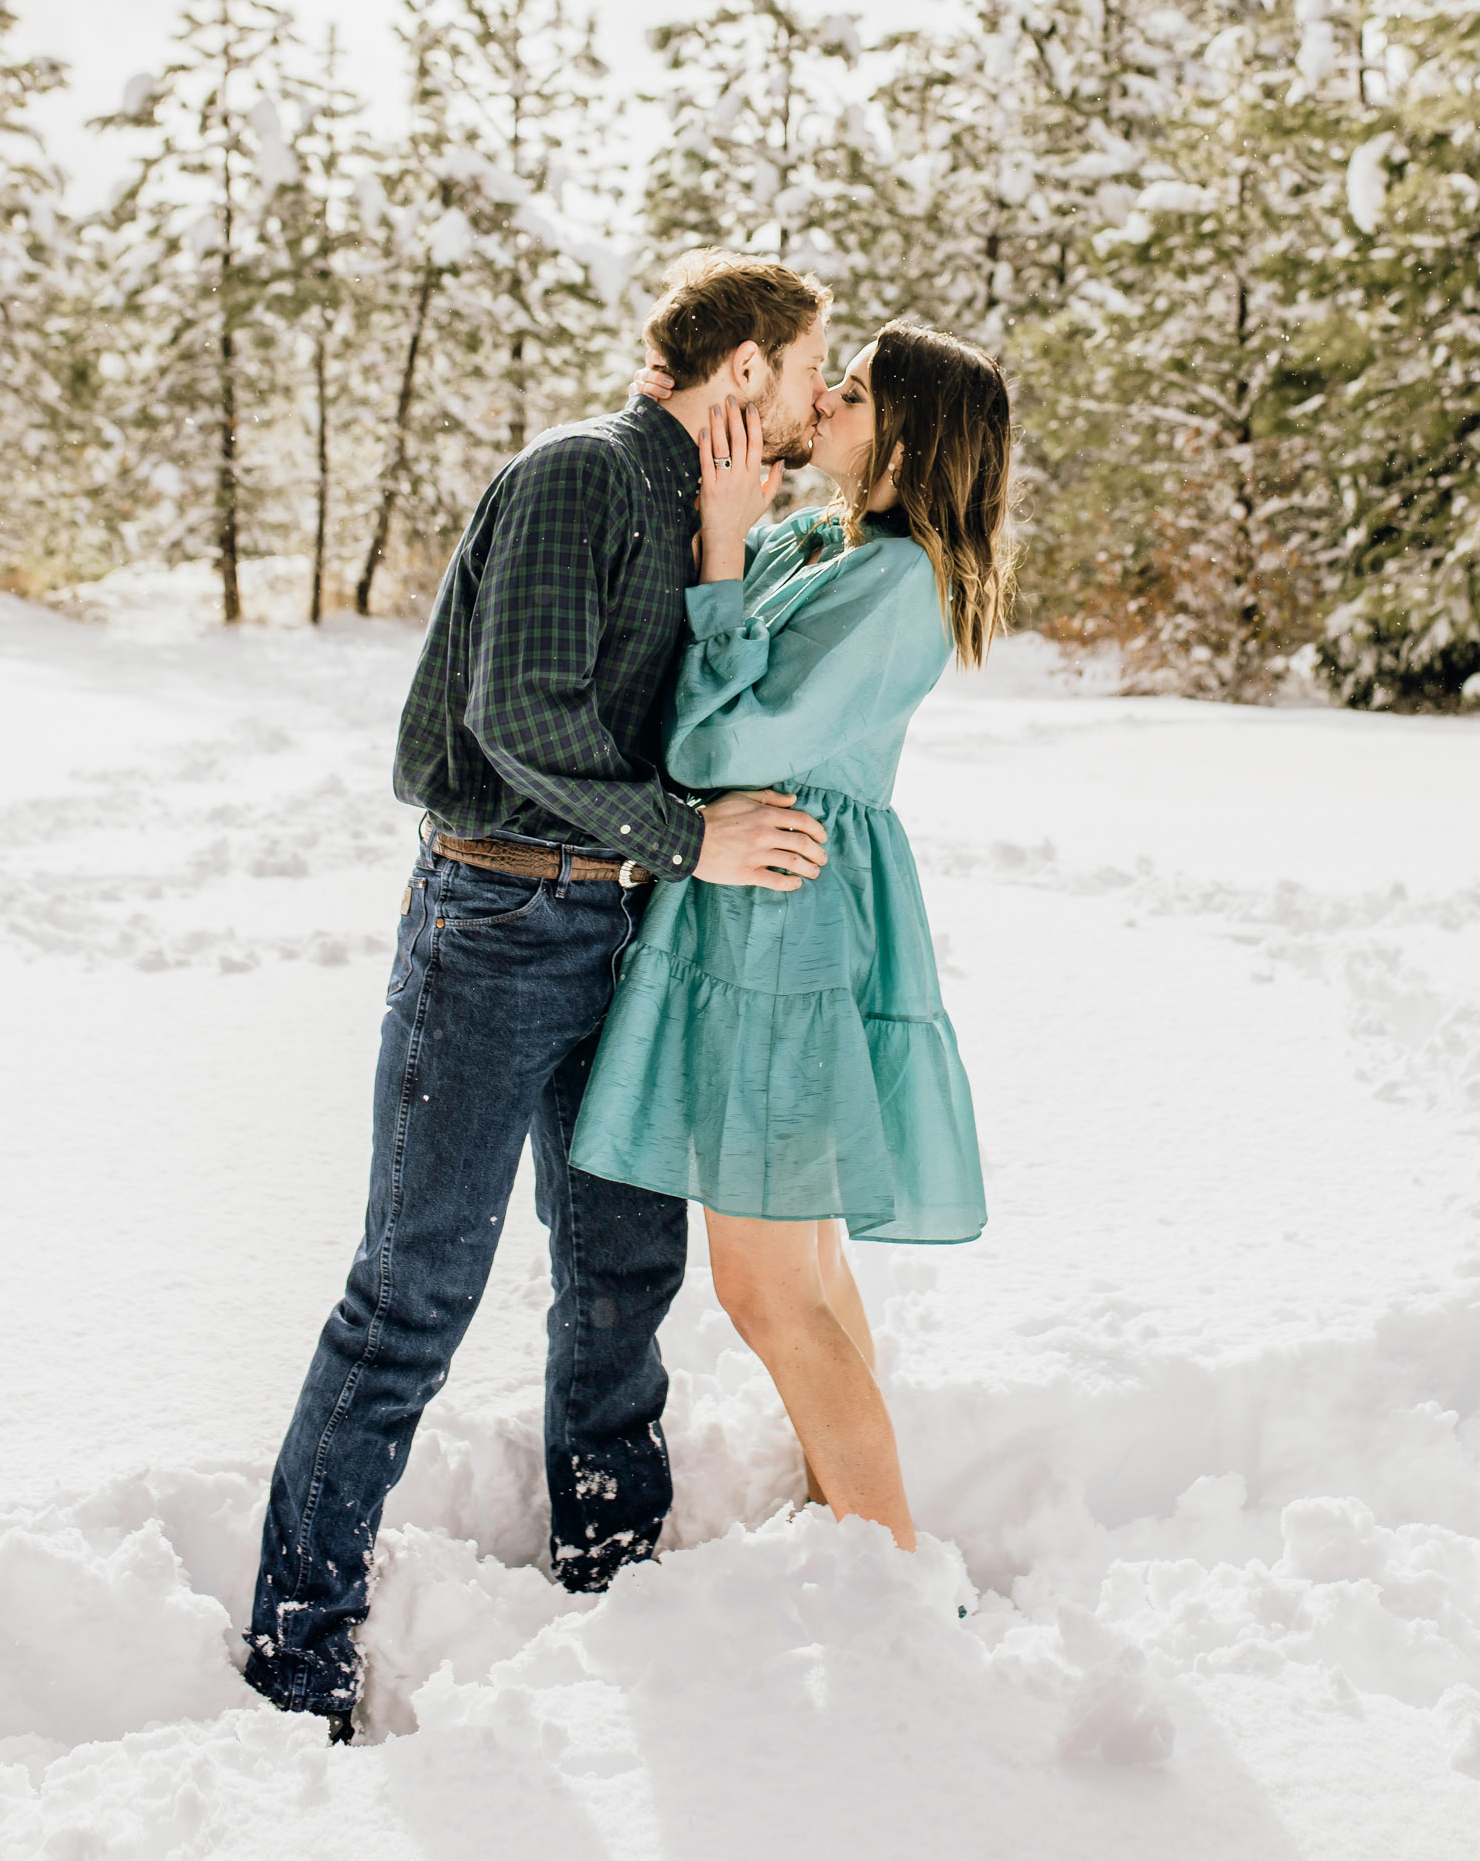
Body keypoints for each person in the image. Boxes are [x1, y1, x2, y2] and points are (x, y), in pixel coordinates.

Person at [245, 251, 835, 1732]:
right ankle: (297, 1649)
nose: (823, 399)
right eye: (812, 369)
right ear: (743, 372)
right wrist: (696, 839)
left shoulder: (703, 508)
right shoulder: (576, 477)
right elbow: (520, 723)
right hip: (496, 926)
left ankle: (614, 1562)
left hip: (620, 927)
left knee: (624, 1268)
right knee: (412, 1293)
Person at [571, 320, 1013, 1552]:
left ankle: (889, 1556)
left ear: (910, 436)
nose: (826, 403)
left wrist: (720, 541)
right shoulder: (828, 543)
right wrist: (733, 506)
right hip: (763, 897)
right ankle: (854, 1531)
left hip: (783, 911)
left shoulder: (897, 578)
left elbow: (721, 746)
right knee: (803, 1273)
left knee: (764, 1288)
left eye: (855, 395)